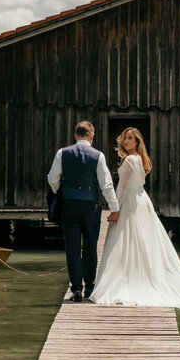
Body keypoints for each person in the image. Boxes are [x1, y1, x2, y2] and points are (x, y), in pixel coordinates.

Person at [90, 127, 180, 316]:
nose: (126, 141)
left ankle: (126, 279)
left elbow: (122, 187)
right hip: (141, 201)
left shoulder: (129, 160)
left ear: (137, 142)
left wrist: (115, 210)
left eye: (130, 138)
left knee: (123, 240)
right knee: (141, 241)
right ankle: (138, 276)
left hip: (130, 202)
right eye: (125, 138)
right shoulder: (141, 159)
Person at [48, 120, 120, 302]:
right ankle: (90, 287)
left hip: (69, 204)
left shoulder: (62, 153)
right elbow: (106, 185)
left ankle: (77, 289)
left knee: (72, 247)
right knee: (90, 246)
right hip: (90, 206)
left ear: (75, 135)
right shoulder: (98, 156)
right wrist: (114, 208)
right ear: (92, 135)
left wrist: (59, 191)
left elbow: (52, 178)